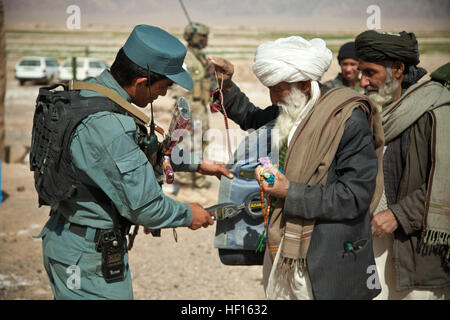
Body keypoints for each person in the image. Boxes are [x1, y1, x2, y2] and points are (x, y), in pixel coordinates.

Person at [33, 25, 232, 300]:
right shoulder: (109, 127)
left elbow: (139, 152)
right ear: (141, 82)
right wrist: (190, 214)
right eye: (162, 88)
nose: (161, 96)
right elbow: (146, 208)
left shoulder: (96, 93)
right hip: (87, 260)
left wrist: (198, 164)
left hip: (71, 242)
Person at [209, 35, 384, 300]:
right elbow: (252, 117)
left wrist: (289, 191)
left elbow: (354, 197)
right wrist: (227, 84)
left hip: (325, 253)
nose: (272, 96)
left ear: (303, 84)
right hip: (282, 246)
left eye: (277, 88)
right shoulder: (291, 108)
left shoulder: (347, 120)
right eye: (270, 88)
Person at [355, 30, 450, 299]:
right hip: (374, 242)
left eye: (370, 72)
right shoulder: (376, 112)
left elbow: (444, 182)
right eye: (362, 72)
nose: (363, 81)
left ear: (397, 69)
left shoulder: (436, 111)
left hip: (419, 250)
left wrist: (398, 215)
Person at [169, 22, 213, 191]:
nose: (206, 40)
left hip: (200, 106)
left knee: (202, 142)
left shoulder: (200, 57)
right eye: (203, 36)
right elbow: (180, 88)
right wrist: (184, 115)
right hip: (191, 106)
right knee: (189, 143)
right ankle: (187, 180)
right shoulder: (187, 59)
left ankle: (199, 179)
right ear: (195, 38)